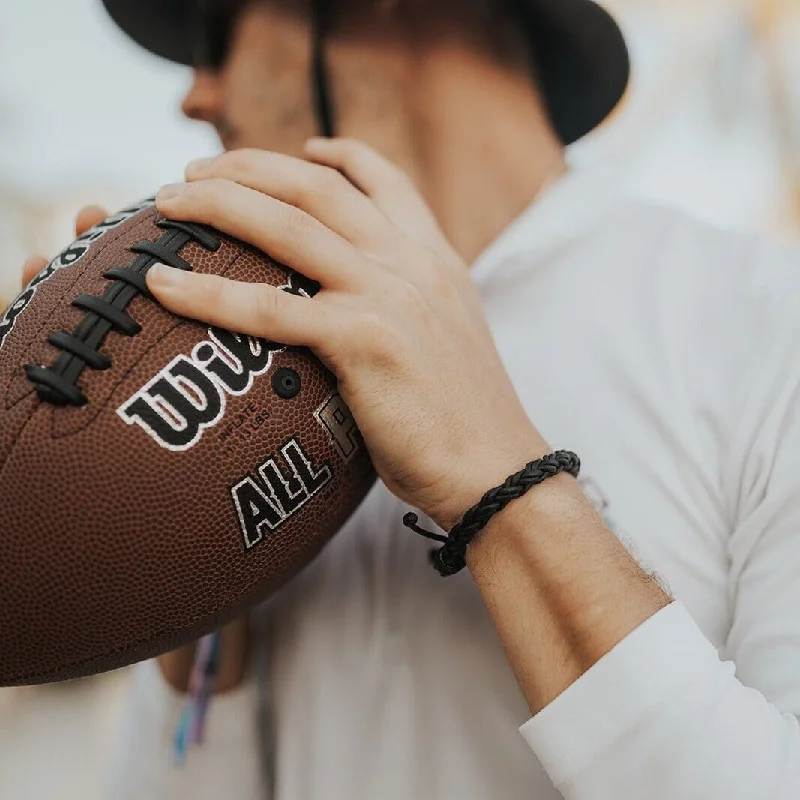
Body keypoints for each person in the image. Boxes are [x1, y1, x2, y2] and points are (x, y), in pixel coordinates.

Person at [22, 0, 800, 797]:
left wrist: (502, 480)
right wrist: (164, 538)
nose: (196, 97)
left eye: (219, 35)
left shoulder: (765, 325)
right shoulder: (265, 347)